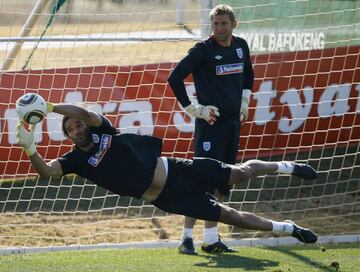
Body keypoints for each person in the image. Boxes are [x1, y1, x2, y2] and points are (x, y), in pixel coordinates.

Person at [16, 102, 318, 250]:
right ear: (67, 136)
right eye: (70, 130)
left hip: (177, 168)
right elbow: (48, 173)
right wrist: (30, 148)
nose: (77, 130)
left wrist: (51, 107)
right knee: (229, 216)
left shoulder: (100, 128)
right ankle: (288, 228)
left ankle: (288, 168)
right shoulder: (75, 161)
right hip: (168, 197)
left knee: (239, 173)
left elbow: (85, 113)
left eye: (77, 125)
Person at [168, 4, 253, 254]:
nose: (219, 28)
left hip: (232, 125)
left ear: (233, 24)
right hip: (211, 126)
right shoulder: (203, 50)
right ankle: (186, 238)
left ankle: (211, 238)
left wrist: (245, 101)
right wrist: (194, 110)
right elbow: (174, 78)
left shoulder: (241, 46)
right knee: (201, 180)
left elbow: (248, 75)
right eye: (215, 24)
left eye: (223, 23)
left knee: (223, 181)